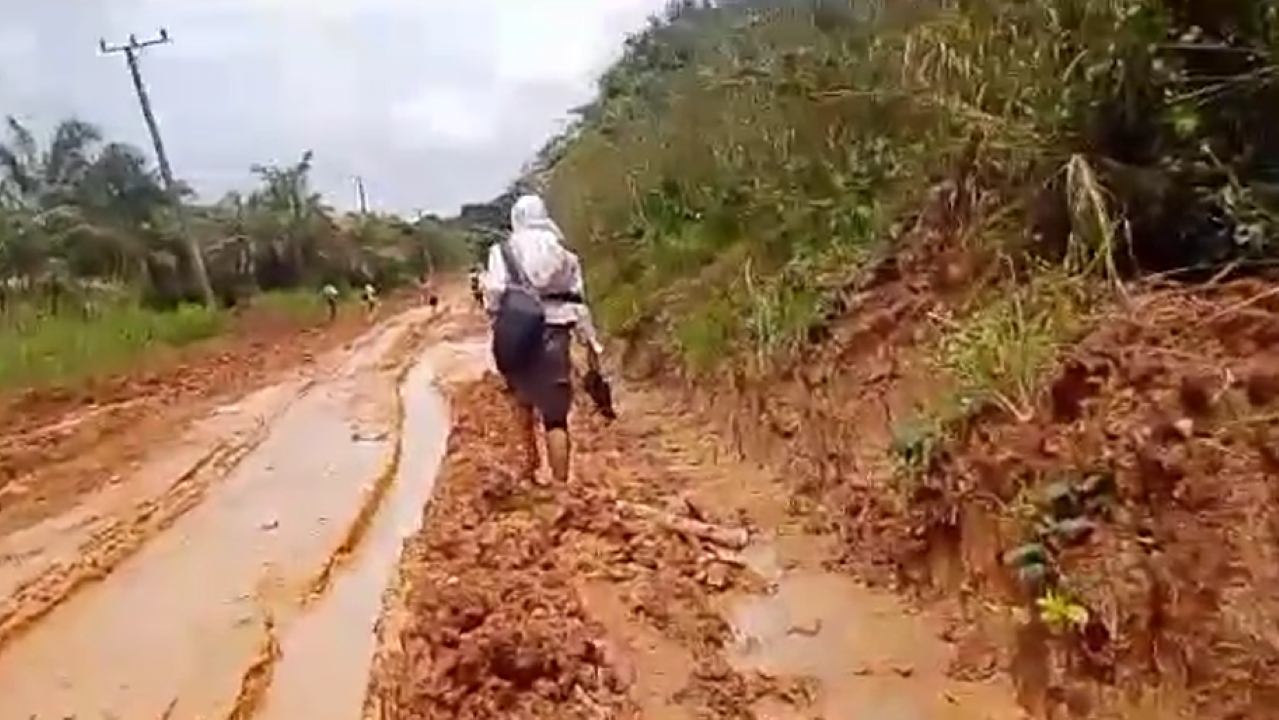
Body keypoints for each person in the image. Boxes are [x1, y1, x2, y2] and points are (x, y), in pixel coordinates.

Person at [483, 194, 604, 485]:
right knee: (555, 416)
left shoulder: (502, 251)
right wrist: (591, 343)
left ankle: (529, 470)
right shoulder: (563, 253)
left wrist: (499, 319)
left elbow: (494, 295)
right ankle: (562, 486)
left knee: (520, 401)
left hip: (517, 331)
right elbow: (579, 301)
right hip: (555, 333)